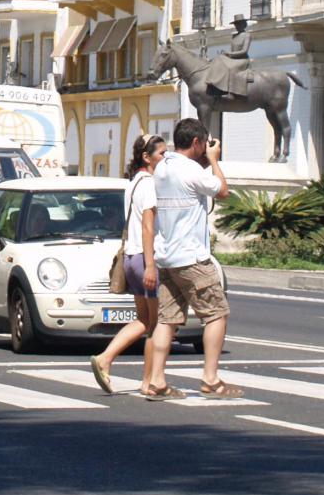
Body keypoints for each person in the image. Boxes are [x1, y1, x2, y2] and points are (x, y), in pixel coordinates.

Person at [144, 116, 240, 399]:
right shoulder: (191, 170)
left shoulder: (162, 168)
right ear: (197, 142)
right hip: (192, 258)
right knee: (216, 314)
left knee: (167, 319)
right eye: (203, 144)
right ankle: (211, 378)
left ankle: (157, 380)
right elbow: (222, 191)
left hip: (168, 256)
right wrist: (214, 160)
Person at [89, 133, 167, 394]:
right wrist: (151, 264)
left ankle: (115, 364)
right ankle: (140, 377)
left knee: (145, 321)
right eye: (161, 154)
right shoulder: (149, 184)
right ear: (146, 157)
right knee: (155, 324)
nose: (164, 158)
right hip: (144, 257)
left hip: (131, 257)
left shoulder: (133, 183)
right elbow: (147, 226)